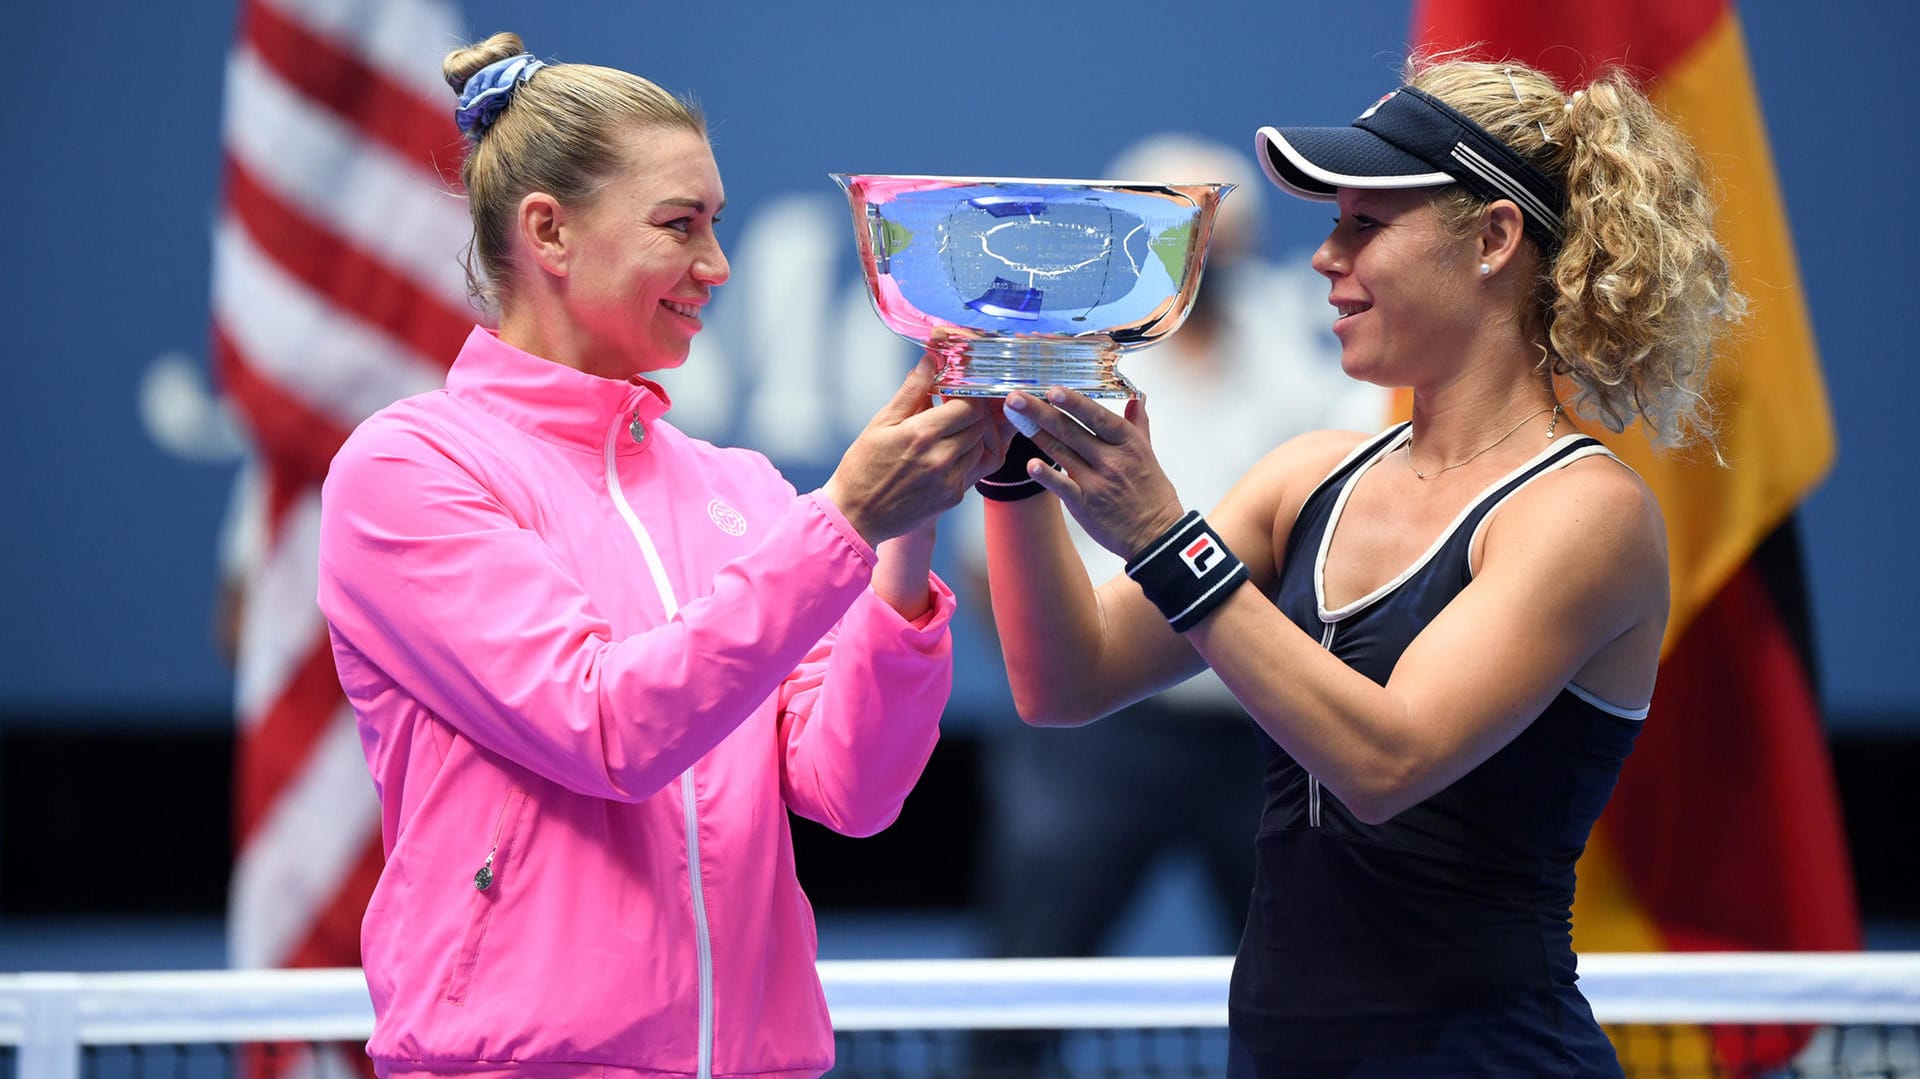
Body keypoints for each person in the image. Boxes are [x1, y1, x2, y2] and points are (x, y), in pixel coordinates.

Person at [978, 55, 1740, 1077]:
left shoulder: (1585, 513)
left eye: (1362, 227)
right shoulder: (1307, 477)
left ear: (1493, 238)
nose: (1323, 258)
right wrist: (1016, 464)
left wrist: (1164, 538)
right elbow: (1064, 683)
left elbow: (1390, 763)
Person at [315, 33, 1007, 1079]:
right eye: (679, 226)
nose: (716, 267)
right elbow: (606, 726)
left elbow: (853, 788)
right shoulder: (406, 469)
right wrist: (846, 518)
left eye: (717, 225)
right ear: (547, 230)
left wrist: (907, 529)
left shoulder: (740, 487)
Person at [958, 133, 1383, 1071]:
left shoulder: (1308, 370)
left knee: (1303, 994)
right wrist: (1067, 660)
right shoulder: (1060, 359)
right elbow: (985, 563)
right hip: (1096, 745)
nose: (1210, 263)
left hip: (1258, 733)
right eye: (1184, 242)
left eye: (1224, 244)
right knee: (1018, 999)